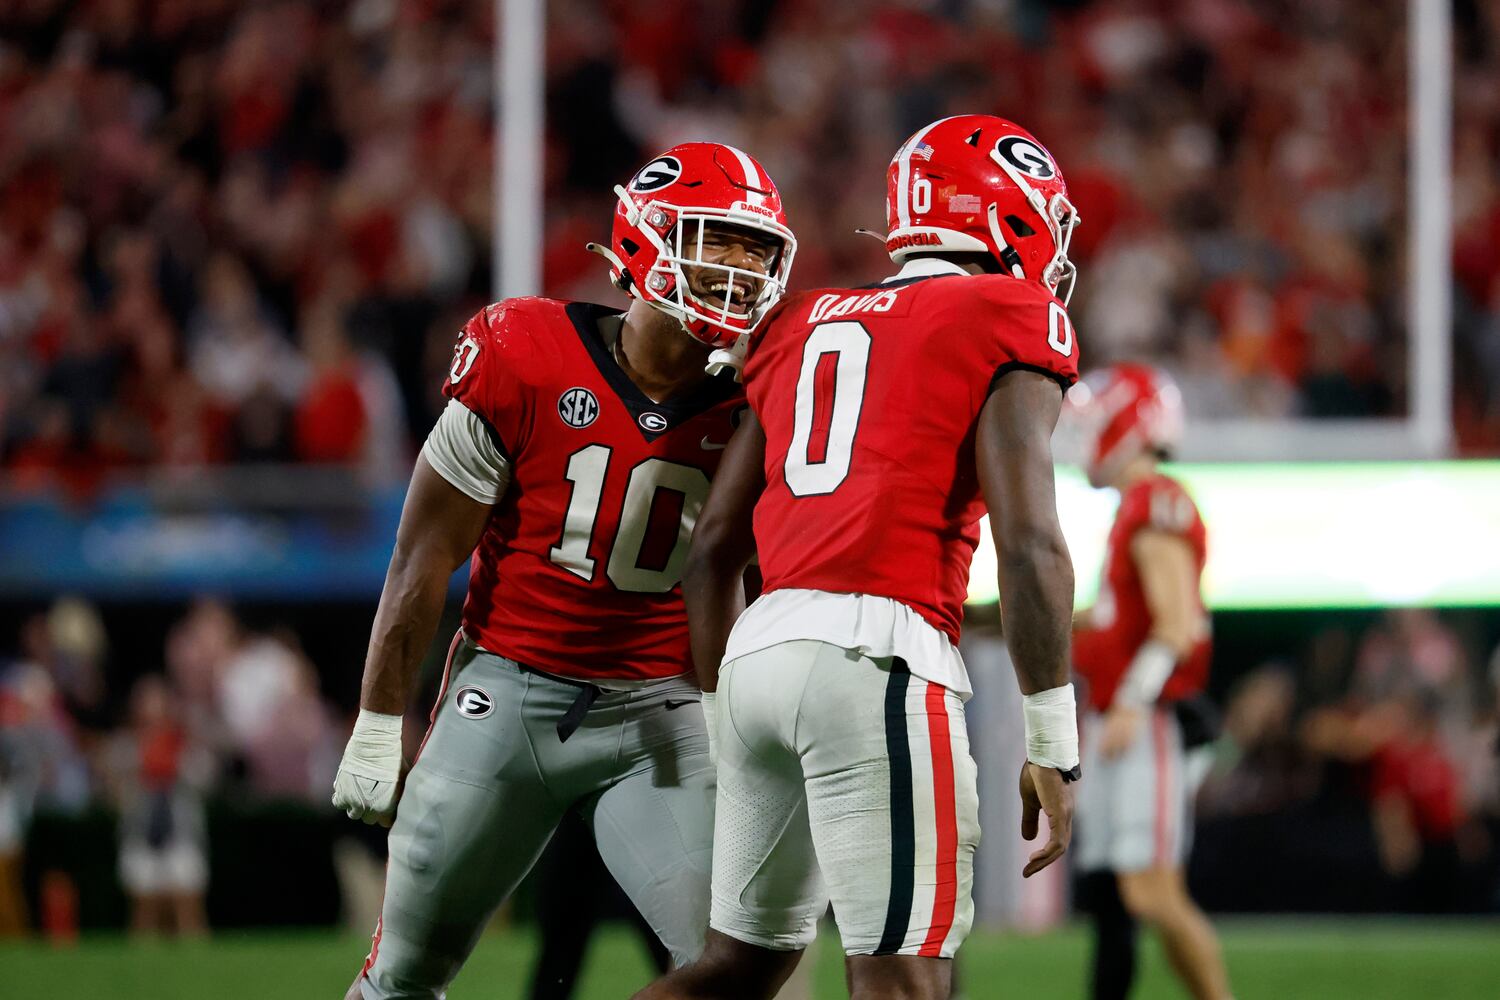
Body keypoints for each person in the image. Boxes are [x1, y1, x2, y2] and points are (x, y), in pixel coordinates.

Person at [330, 142, 796, 1000]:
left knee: (741, 970)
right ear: (647, 242)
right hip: (510, 691)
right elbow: (424, 553)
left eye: (756, 249)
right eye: (717, 240)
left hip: (663, 709)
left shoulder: (771, 389)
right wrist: (378, 718)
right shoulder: (524, 352)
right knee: (403, 978)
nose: (740, 269)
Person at [635, 114, 1083, 1000]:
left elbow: (713, 549)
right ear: (1010, 214)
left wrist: (725, 711)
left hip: (756, 653)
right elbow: (1029, 544)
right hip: (880, 654)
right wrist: (1053, 744)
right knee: (904, 978)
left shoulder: (798, 318)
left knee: (734, 972)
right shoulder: (1009, 312)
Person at [1067, 364, 1233, 1000]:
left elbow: (1177, 623)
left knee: (1151, 891)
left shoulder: (1156, 499)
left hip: (1149, 718)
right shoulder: (1130, 507)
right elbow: (1115, 622)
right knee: (1113, 894)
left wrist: (1134, 701)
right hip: (1119, 716)